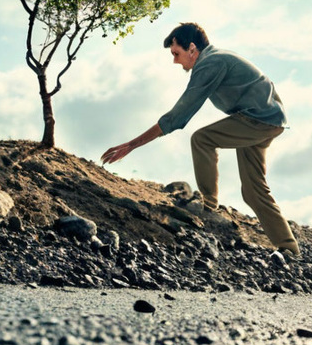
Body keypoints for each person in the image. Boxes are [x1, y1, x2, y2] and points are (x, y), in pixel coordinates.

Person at [101, 22, 300, 259]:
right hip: (267, 119)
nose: (175, 61)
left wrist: (131, 145)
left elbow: (179, 115)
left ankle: (208, 206)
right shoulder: (216, 58)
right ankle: (289, 248)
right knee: (253, 189)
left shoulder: (210, 63)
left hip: (258, 119)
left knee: (202, 139)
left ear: (192, 49)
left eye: (176, 53)